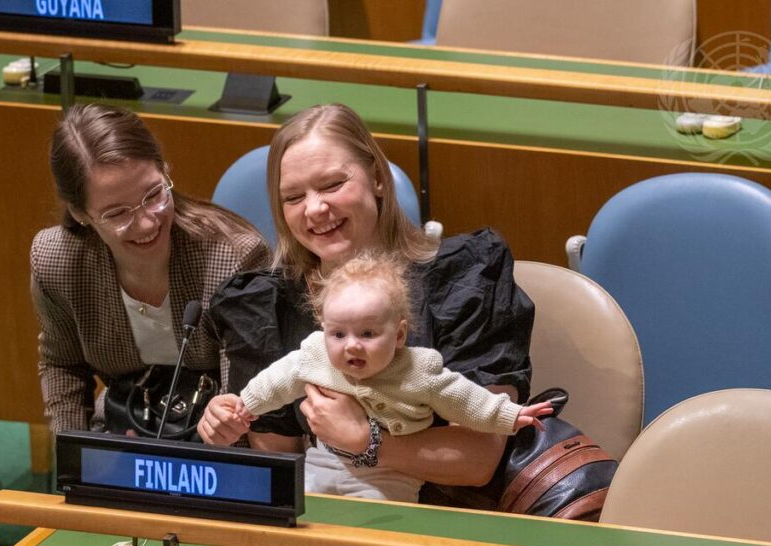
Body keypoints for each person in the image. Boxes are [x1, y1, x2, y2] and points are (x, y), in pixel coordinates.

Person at [199, 103, 535, 505]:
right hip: (324, 516)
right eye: (293, 197)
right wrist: (228, 424)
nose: (315, 209)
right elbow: (280, 462)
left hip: (445, 518)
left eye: (331, 185)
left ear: (377, 177)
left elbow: (477, 460)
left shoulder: (464, 278)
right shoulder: (265, 305)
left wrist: (362, 440)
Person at [214, 253, 552, 501]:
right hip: (325, 458)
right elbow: (276, 381)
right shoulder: (315, 354)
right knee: (300, 508)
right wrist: (245, 405)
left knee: (377, 523)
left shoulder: (420, 371)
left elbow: (466, 401)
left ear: (399, 335)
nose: (351, 346)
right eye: (339, 334)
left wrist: (511, 414)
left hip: (391, 473)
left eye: (367, 333)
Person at [30, 104, 271, 434]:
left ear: (165, 170)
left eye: (154, 194)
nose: (145, 222)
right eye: (117, 213)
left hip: (219, 439)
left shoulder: (233, 257)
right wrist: (77, 457)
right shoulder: (57, 261)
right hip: (124, 422)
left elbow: (248, 397)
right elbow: (63, 364)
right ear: (80, 213)